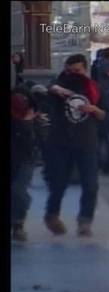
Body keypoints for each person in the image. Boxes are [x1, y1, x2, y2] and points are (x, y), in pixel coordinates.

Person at [44, 54, 106, 237]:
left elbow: (105, 115)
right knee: (58, 183)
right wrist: (54, 88)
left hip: (86, 142)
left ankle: (85, 221)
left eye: (77, 71)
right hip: (60, 142)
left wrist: (94, 110)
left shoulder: (94, 89)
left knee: (90, 184)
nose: (73, 74)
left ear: (85, 69)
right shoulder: (58, 86)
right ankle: (52, 215)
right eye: (70, 71)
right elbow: (46, 90)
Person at [11, 87, 48, 241]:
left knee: (18, 191)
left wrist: (28, 124)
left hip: (26, 159)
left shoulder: (34, 119)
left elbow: (38, 141)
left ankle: (18, 224)